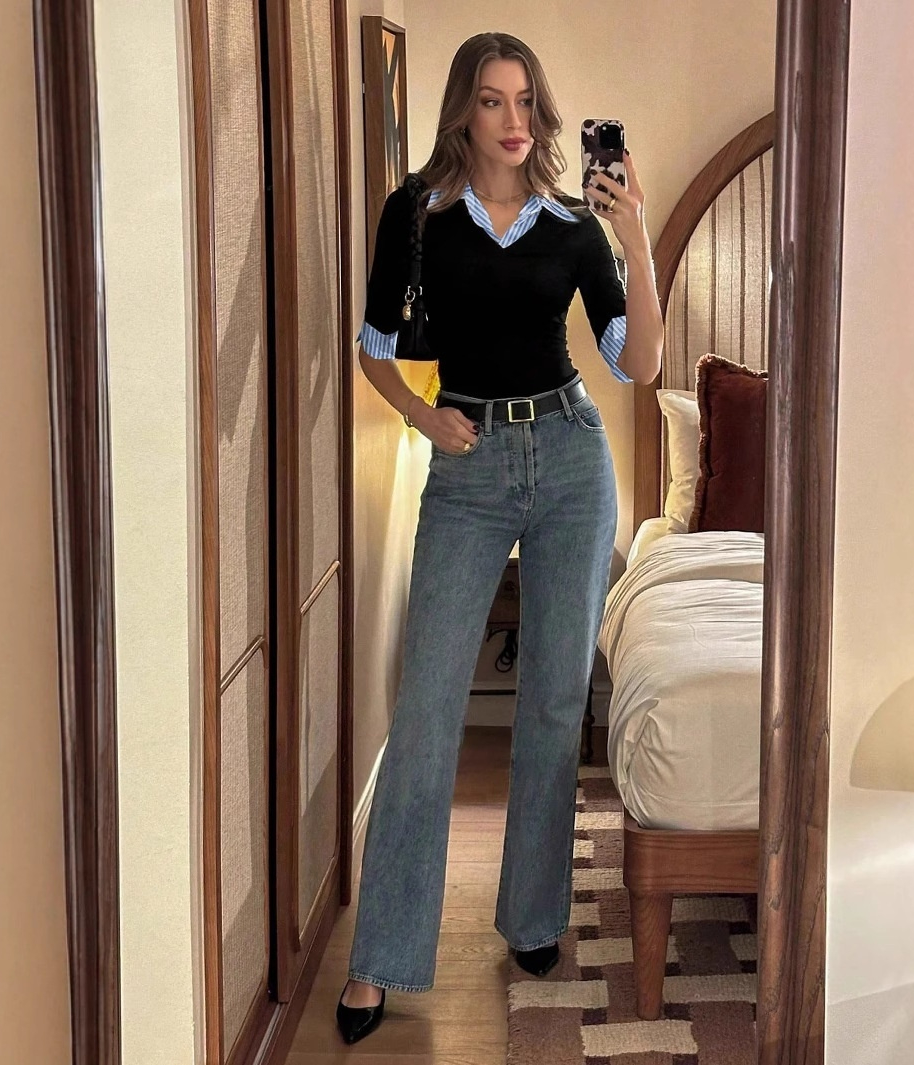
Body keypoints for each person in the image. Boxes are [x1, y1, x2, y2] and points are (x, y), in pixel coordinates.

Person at [336, 30, 663, 1045]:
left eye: (526, 100)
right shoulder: (417, 216)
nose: (514, 120)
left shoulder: (572, 226)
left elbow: (640, 364)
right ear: (463, 112)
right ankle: (380, 957)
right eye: (492, 100)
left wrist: (636, 235)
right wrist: (421, 416)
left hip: (570, 461)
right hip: (469, 467)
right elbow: (373, 345)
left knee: (556, 702)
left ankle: (532, 919)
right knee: (427, 708)